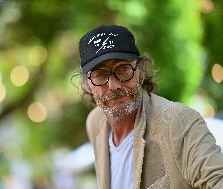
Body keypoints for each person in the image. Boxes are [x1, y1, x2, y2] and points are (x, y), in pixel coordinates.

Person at [78, 25, 223, 189]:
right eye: (100, 74)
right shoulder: (95, 123)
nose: (113, 85)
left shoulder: (178, 121)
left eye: (123, 69)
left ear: (140, 70)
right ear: (87, 84)